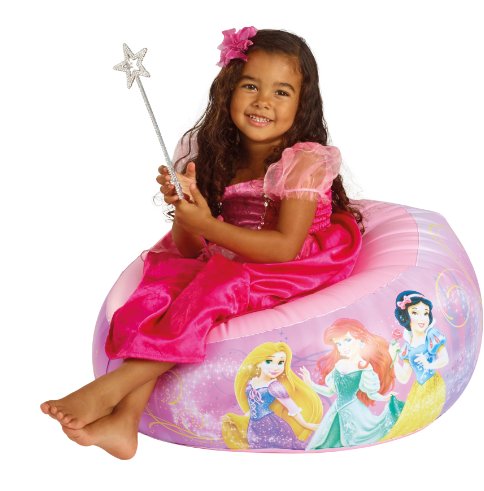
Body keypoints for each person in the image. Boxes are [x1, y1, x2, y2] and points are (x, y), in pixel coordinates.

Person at [40, 27, 363, 459]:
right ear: (228, 90)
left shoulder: (302, 160)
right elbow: (191, 249)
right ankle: (124, 422)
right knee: (165, 283)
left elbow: (285, 248)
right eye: (250, 86)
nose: (263, 101)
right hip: (234, 253)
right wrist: (186, 210)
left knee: (215, 289)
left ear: (302, 103)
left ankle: (109, 390)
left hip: (295, 262)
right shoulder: (209, 151)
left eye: (281, 92)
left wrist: (209, 225)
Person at [300, 318, 404, 449]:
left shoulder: (364, 366)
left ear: (361, 341)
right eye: (339, 344)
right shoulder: (339, 364)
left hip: (355, 413)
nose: (343, 347)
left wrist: (385, 398)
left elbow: (371, 393)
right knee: (325, 443)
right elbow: (330, 391)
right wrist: (310, 384)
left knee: (359, 442)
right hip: (336, 412)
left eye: (348, 340)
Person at [221, 342, 322, 450]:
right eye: (269, 361)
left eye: (281, 362)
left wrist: (305, 424)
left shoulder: (274, 386)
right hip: (254, 428)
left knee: (275, 449)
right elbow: (254, 406)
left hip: (271, 427)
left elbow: (292, 407)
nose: (275, 367)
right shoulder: (251, 382)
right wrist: (240, 420)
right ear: (258, 363)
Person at [380, 291, 448, 441]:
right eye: (415, 313)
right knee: (409, 423)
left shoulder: (432, 335)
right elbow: (404, 378)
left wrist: (429, 364)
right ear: (405, 316)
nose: (422, 318)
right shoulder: (407, 347)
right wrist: (393, 358)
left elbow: (444, 359)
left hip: (434, 384)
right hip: (418, 389)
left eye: (425, 313)